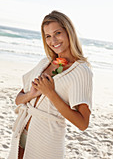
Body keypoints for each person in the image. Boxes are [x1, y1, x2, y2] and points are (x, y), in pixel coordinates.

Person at [8, 10, 93, 159]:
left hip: (47, 142)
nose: (53, 40)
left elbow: (82, 124)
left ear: (69, 32)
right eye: (48, 36)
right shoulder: (44, 63)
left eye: (57, 33)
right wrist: (31, 94)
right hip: (21, 135)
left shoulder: (81, 71)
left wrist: (50, 93)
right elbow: (18, 99)